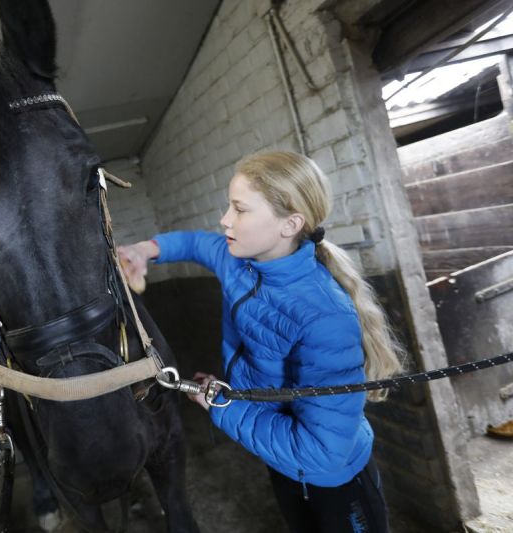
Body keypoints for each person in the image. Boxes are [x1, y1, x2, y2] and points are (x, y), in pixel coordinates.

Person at [118, 151, 404, 533]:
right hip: (281, 460)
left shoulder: (324, 316)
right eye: (228, 207)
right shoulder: (240, 258)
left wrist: (219, 404)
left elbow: (322, 456)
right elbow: (196, 244)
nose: (225, 219)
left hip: (337, 482)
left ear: (290, 224)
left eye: (240, 209)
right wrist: (144, 250)